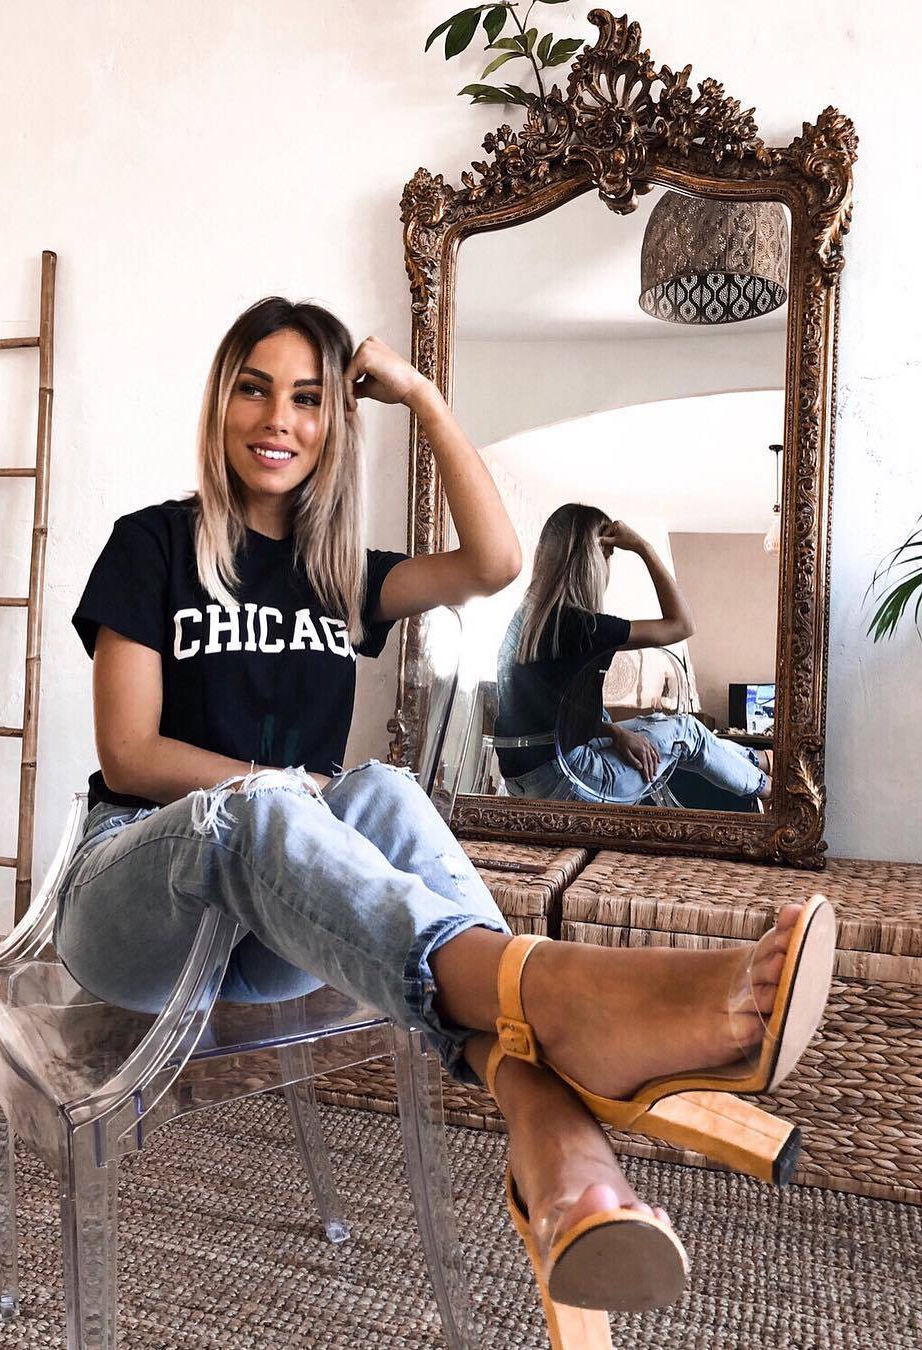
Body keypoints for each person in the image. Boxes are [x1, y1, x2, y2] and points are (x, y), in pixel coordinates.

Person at [53, 299, 831, 1336]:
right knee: (266, 799)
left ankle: (557, 1145)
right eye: (254, 389)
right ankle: (563, 1010)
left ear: (336, 422)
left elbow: (496, 563)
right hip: (137, 905)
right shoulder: (151, 545)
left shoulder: (340, 576)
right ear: (219, 402)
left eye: (309, 398)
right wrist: (282, 789)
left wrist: (419, 393)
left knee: (384, 791)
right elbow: (132, 754)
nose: (278, 419)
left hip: (274, 933)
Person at [496, 503, 774, 807]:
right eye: (608, 555)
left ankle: (759, 760)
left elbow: (550, 722)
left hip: (522, 781)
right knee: (687, 731)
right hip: (569, 782)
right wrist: (643, 548)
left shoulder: (525, 624)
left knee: (658, 723)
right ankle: (770, 789)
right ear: (594, 559)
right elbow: (682, 624)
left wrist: (614, 732)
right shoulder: (585, 628)